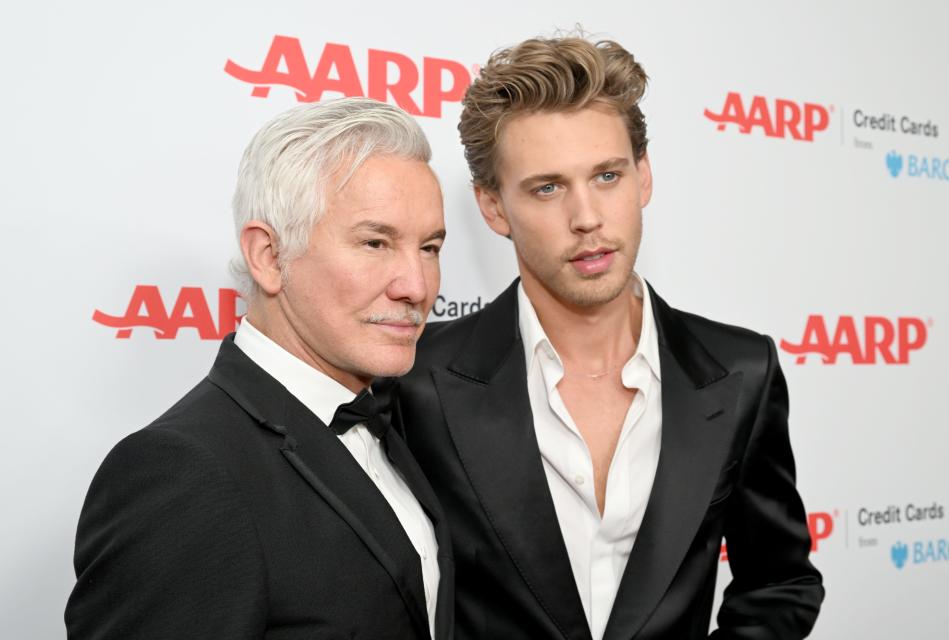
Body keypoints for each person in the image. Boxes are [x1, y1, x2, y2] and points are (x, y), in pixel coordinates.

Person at [392, 36, 824, 639]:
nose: (587, 217)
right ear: (492, 207)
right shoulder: (416, 382)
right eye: (547, 187)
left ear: (642, 177)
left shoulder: (741, 370)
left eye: (607, 175)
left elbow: (780, 583)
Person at [65, 97, 453, 640]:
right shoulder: (182, 473)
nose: (416, 285)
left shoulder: (392, 414)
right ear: (269, 256)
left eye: (430, 247)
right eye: (375, 242)